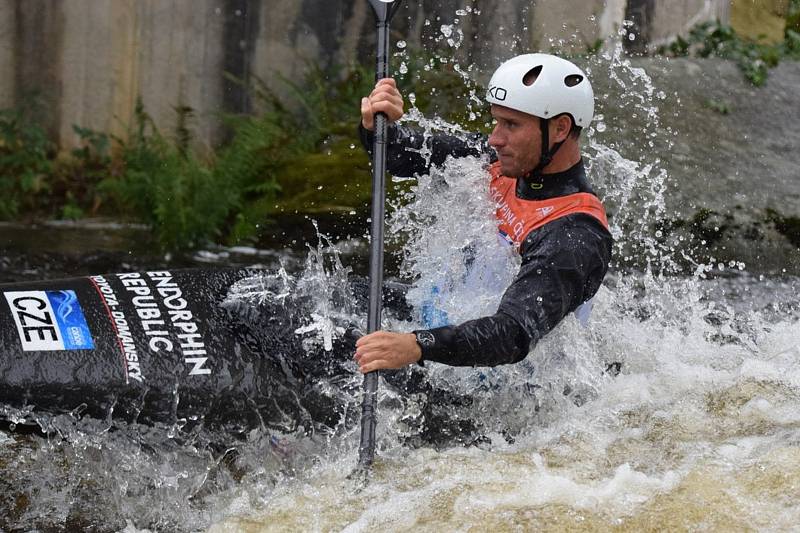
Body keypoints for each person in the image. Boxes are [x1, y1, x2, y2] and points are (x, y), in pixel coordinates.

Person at [354, 53, 613, 373]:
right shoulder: (492, 161)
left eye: (512, 124)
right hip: (441, 324)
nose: (495, 138)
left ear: (560, 128)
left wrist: (416, 345)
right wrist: (377, 124)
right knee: (336, 299)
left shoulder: (575, 232)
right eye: (497, 120)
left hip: (497, 379)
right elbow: (398, 153)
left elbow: (512, 333)